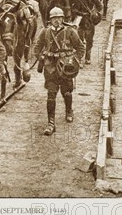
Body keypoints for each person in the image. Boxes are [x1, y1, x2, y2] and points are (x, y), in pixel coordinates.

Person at [34, 7, 85, 135]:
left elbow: (80, 47)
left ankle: (69, 110)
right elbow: (37, 47)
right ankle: (51, 123)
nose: (56, 20)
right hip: (50, 68)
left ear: (63, 19)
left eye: (59, 18)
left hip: (66, 68)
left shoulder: (70, 31)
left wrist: (75, 61)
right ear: (50, 20)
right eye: (54, 18)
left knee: (67, 92)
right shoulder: (45, 32)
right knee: (51, 95)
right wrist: (40, 56)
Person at [70, 0, 103, 65]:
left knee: (89, 39)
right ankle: (79, 58)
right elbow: (71, 9)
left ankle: (88, 57)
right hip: (78, 19)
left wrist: (94, 12)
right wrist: (80, 13)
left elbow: (100, 6)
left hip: (89, 19)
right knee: (78, 40)